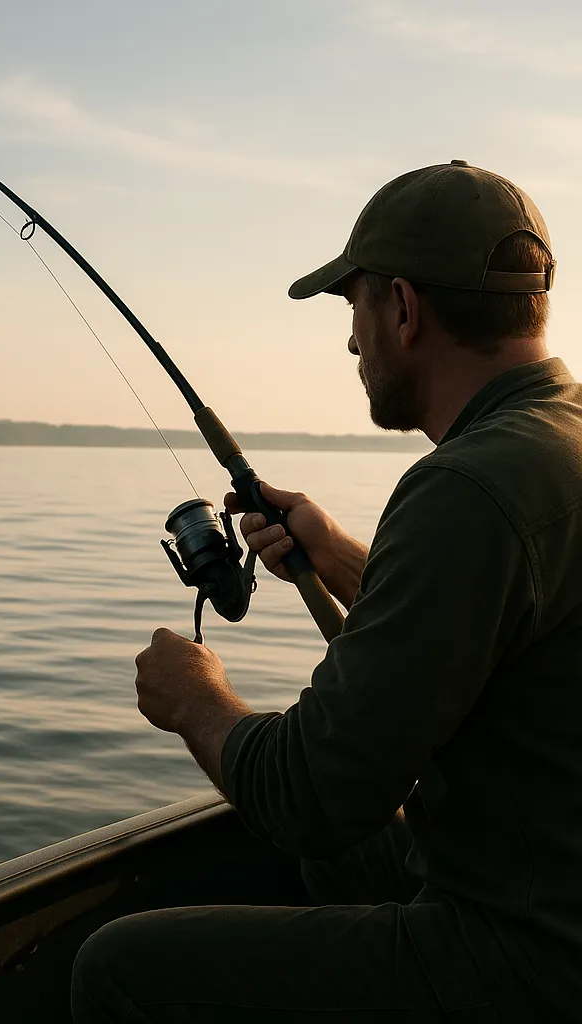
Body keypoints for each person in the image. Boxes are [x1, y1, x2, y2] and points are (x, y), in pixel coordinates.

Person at [71, 161, 582, 1022]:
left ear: (405, 309)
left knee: (117, 968)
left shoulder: (467, 488)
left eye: (354, 307)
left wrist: (196, 699)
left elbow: (308, 793)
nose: (351, 341)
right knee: (351, 857)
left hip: (529, 960)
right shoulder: (552, 443)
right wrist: (338, 555)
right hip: (545, 886)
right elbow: (488, 621)